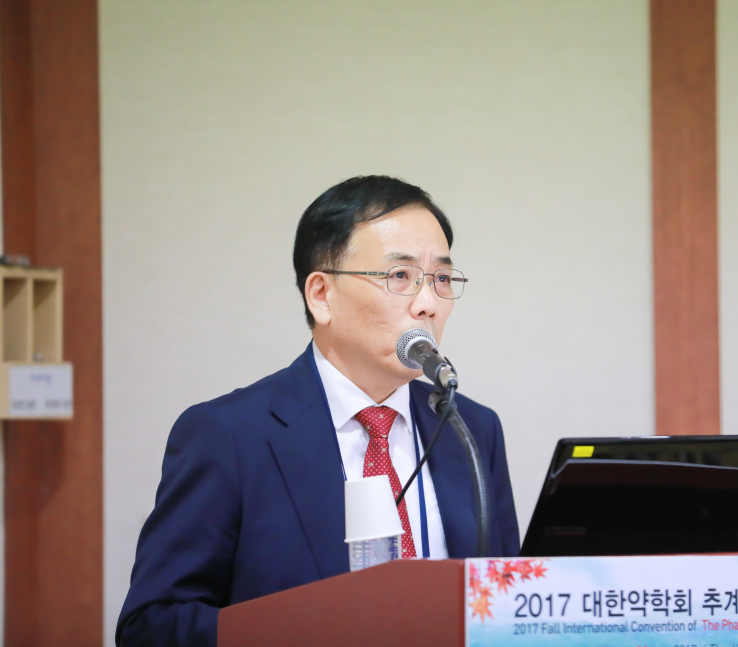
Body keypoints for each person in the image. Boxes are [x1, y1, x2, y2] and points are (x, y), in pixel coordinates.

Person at [117, 175, 520, 646]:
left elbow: (507, 603)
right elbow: (152, 625)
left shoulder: (471, 429)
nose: (428, 304)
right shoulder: (228, 436)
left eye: (442, 279)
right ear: (322, 296)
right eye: (399, 276)